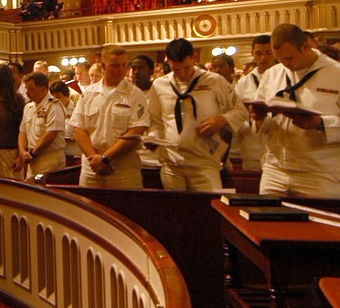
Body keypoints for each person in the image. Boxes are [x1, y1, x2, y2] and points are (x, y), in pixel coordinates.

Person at [252, 24, 340, 198]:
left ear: (306, 46)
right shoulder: (272, 74)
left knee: (319, 224)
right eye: (280, 59)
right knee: (266, 222)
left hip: (320, 173)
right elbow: (263, 121)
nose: (286, 64)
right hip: (276, 169)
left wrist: (321, 124)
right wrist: (259, 118)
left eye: (289, 58)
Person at [150, 38, 245, 191]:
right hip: (172, 163)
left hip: (204, 162)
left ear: (194, 58)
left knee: (209, 209)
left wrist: (221, 120)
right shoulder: (159, 85)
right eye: (176, 69)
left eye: (186, 68)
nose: (182, 74)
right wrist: (153, 137)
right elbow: (156, 121)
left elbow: (240, 110)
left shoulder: (214, 81)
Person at [67, 45, 149, 189]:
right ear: (104, 66)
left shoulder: (135, 95)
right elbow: (78, 129)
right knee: (87, 209)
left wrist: (105, 158)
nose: (120, 70)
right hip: (91, 167)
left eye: (124, 65)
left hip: (122, 168)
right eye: (115, 65)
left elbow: (136, 131)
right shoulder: (89, 93)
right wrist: (95, 159)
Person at [233, 34, 277, 170]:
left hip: (278, 144)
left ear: (275, 53)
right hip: (252, 146)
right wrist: (247, 125)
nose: (263, 58)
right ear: (253, 54)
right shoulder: (244, 82)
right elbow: (237, 111)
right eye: (258, 53)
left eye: (268, 53)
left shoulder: (284, 77)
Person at [18, 71, 67, 179]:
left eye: (31, 89)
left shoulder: (54, 106)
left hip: (50, 159)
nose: (27, 93)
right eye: (26, 89)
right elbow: (23, 132)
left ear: (43, 88)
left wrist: (33, 154)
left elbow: (50, 134)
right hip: (32, 160)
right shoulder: (28, 107)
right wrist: (22, 152)